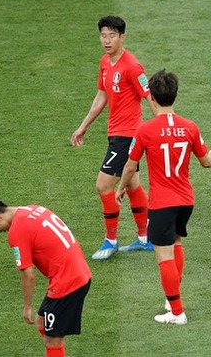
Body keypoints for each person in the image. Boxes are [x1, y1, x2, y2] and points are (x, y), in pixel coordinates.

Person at [116, 69, 211, 324]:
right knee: (176, 243)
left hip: (162, 202)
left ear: (152, 96)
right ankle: (172, 301)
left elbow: (130, 165)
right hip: (186, 200)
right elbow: (207, 161)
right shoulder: (190, 127)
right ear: (175, 95)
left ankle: (177, 312)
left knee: (164, 255)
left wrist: (121, 188)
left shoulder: (145, 130)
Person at [71, 15, 154, 260]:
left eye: (112, 35)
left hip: (127, 136)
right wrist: (83, 126)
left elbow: (149, 97)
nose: (107, 40)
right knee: (132, 184)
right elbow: (101, 97)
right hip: (116, 134)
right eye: (103, 35)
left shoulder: (132, 66)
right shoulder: (105, 63)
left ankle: (111, 240)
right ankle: (145, 238)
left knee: (103, 185)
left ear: (122, 37)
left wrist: (164, 125)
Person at [0, 199, 92, 357]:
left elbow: (28, 274)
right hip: (80, 272)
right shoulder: (34, 209)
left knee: (52, 340)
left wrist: (27, 306)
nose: (0, 231)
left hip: (67, 282)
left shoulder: (17, 231)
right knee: (41, 322)